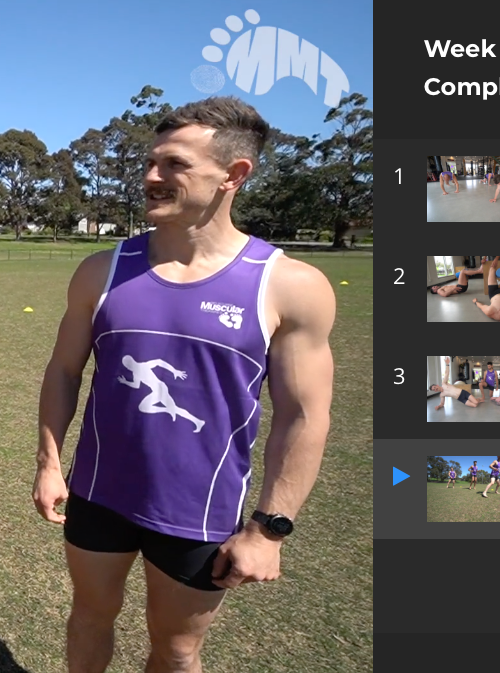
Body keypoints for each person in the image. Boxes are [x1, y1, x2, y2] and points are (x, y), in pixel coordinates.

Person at [32, 95, 337, 673]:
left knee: (176, 650)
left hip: (200, 511)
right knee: (89, 617)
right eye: (151, 162)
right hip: (97, 493)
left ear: (233, 175)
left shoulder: (288, 286)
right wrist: (50, 464)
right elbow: (64, 370)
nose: (151, 176)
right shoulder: (102, 270)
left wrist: (270, 529)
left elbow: (304, 416)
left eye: (174, 164)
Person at [431, 257, 500, 297]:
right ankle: (479, 271)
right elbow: (445, 295)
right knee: (463, 271)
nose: (435, 286)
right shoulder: (439, 291)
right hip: (460, 288)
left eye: (434, 286)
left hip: (460, 286)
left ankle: (480, 269)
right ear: (434, 291)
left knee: (465, 270)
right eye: (434, 287)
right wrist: (453, 289)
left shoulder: (441, 288)